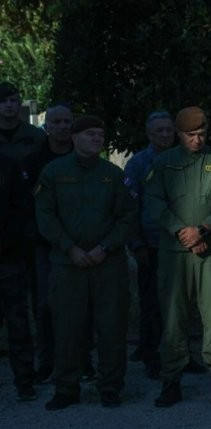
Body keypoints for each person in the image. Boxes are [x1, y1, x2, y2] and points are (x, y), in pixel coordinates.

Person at [35, 116, 137, 409]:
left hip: (108, 264)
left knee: (112, 327)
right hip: (69, 265)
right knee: (68, 328)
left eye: (100, 135)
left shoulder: (113, 174)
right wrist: (70, 248)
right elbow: (45, 215)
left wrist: (105, 247)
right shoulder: (54, 172)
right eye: (90, 134)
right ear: (75, 137)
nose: (96, 139)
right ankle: (66, 387)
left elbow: (127, 216)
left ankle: (110, 386)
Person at [145, 106, 211, 407]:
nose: (197, 140)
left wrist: (204, 229)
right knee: (173, 318)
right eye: (190, 135)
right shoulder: (164, 164)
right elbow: (154, 202)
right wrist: (182, 232)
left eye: (201, 134)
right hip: (175, 254)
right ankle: (171, 380)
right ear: (178, 134)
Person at [123, 111, 177, 379]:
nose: (165, 135)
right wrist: (136, 244)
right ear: (149, 134)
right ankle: (151, 355)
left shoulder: (184, 159)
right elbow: (129, 208)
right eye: (159, 131)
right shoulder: (138, 164)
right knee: (152, 304)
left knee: (180, 304)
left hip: (180, 244)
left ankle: (182, 355)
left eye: (169, 130)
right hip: (151, 245)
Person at [22, 104, 74, 384]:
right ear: (47, 126)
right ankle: (47, 361)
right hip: (45, 245)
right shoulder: (34, 161)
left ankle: (80, 360)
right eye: (57, 122)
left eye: (67, 121)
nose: (63, 126)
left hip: (80, 243)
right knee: (44, 305)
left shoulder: (84, 156)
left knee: (80, 305)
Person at [0, 152, 36, 401]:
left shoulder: (9, 163)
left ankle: (24, 381)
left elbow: (22, 208)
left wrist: (9, 244)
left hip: (8, 258)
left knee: (18, 323)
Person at [0, 81, 46, 163]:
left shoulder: (36, 135)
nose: (9, 105)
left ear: (19, 104)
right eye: (3, 101)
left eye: (13, 100)